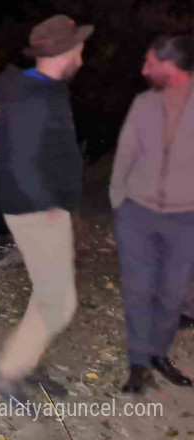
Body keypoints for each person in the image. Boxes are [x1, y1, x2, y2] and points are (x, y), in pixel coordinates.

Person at [0, 15, 92, 407]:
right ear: (65, 51)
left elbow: (54, 153)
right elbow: (22, 159)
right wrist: (48, 207)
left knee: (48, 294)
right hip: (36, 209)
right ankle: (5, 373)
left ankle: (23, 363)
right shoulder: (32, 95)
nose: (83, 52)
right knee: (59, 302)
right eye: (79, 45)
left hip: (44, 207)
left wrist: (68, 206)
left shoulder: (46, 90)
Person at [110, 34, 194, 393]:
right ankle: (139, 364)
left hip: (186, 219)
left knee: (172, 294)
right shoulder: (143, 103)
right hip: (137, 214)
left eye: (150, 63)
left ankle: (158, 352)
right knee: (138, 291)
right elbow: (125, 152)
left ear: (170, 65)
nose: (144, 70)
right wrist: (119, 201)